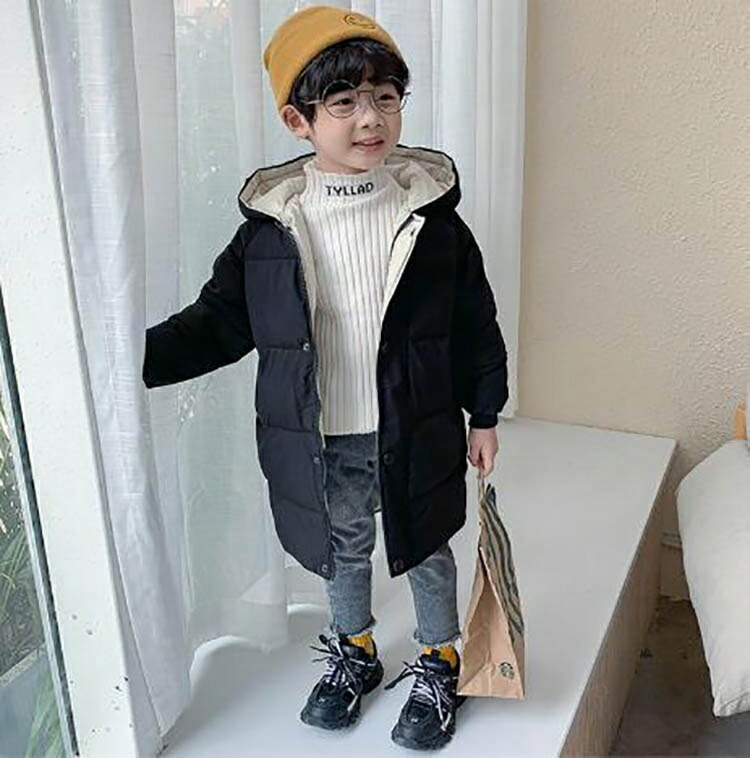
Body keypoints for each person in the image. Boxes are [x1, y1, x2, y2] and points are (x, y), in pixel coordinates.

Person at [143, 5, 508, 750]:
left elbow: (476, 321)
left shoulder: (432, 220)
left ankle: (440, 659)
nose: (369, 118)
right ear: (297, 120)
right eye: (343, 101)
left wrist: (485, 413)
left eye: (385, 97)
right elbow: (217, 322)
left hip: (416, 425)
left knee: (426, 545)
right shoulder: (271, 233)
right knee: (343, 548)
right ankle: (355, 649)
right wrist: (128, 362)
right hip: (324, 436)